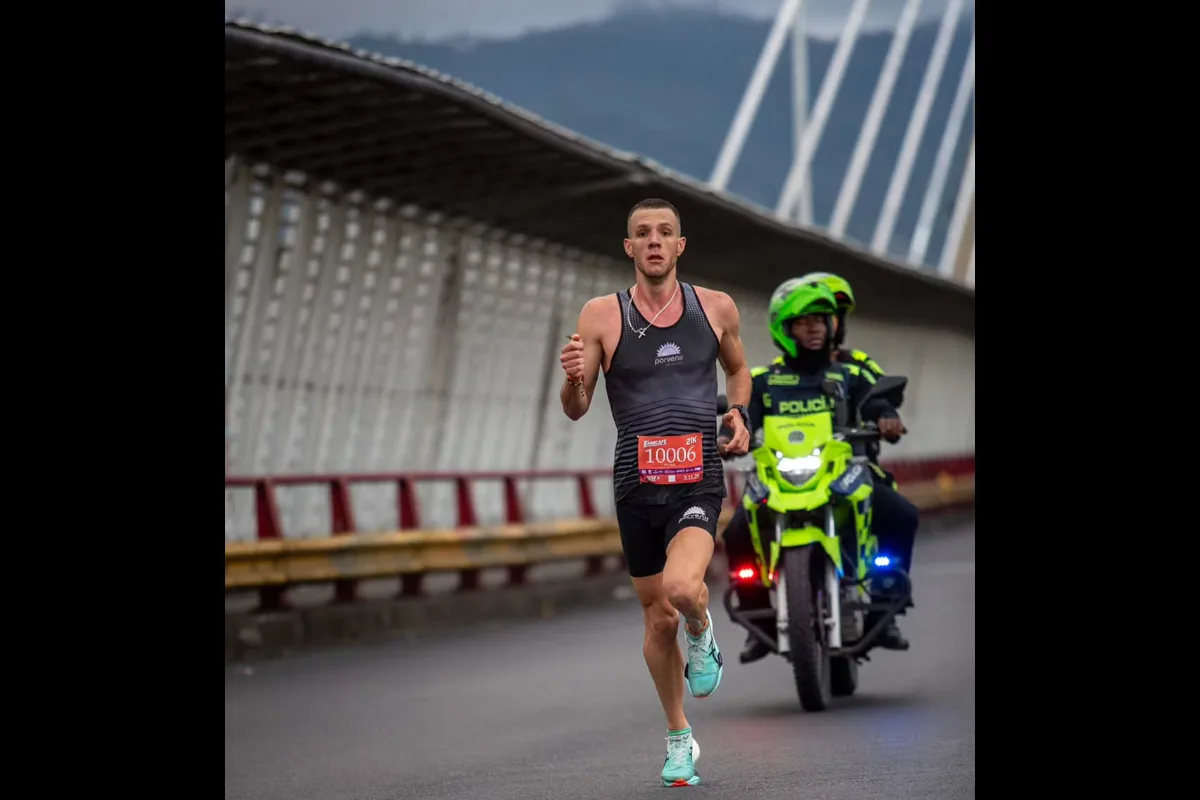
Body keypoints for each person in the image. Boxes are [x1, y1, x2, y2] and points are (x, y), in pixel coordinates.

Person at [558, 197, 752, 788]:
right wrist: (570, 379)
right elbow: (577, 408)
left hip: (698, 477)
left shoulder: (714, 307)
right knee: (655, 619)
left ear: (680, 245)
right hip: (634, 484)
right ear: (629, 248)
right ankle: (678, 739)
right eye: (642, 233)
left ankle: (704, 631)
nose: (654, 241)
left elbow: (738, 370)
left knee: (680, 589)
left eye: (665, 232)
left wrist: (739, 413)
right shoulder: (601, 316)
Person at [718, 275, 913, 665]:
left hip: (843, 473)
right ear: (784, 328)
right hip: (779, 476)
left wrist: (887, 417)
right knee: (736, 531)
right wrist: (729, 433)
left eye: (821, 320)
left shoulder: (850, 373)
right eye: (805, 322)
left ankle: (885, 604)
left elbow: (877, 404)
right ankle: (760, 617)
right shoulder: (763, 381)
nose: (815, 328)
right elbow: (741, 416)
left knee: (900, 514)